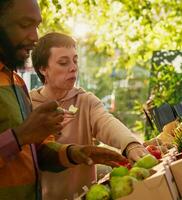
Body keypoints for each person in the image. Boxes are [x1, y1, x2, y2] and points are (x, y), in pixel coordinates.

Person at [0, 0, 128, 199]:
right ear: (43, 69)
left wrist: (75, 153)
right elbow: (22, 139)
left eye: (37, 27)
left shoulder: (16, 82)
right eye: (25, 25)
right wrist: (19, 136)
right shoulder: (28, 95)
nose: (35, 37)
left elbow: (35, 151)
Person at [30, 32, 148, 200]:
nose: (73, 67)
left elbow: (106, 122)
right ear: (43, 69)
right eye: (63, 62)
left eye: (75, 60)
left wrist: (130, 144)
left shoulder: (85, 100)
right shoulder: (28, 105)